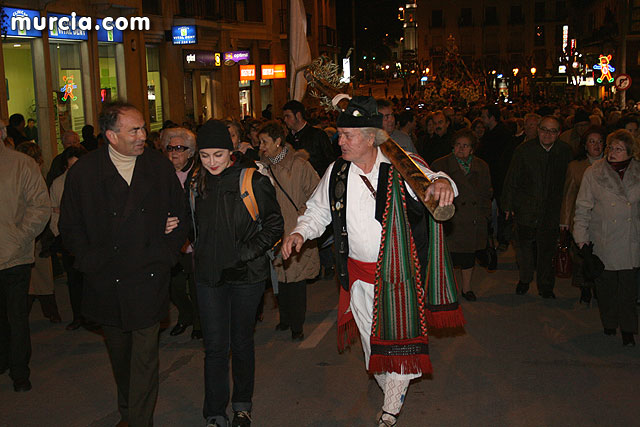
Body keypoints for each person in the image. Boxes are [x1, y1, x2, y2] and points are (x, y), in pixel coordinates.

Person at [281, 97, 460, 427]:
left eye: (347, 135)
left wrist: (444, 184)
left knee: (399, 344)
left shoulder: (401, 165)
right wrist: (300, 233)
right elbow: (318, 211)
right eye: (340, 134)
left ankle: (390, 409)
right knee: (372, 349)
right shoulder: (337, 171)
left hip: (399, 278)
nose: (340, 141)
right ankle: (394, 389)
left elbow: (437, 180)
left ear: (369, 137)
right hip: (358, 278)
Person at [59, 102, 188, 426]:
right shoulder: (84, 173)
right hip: (108, 281)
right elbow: (69, 227)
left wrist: (167, 253)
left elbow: (181, 214)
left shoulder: (157, 167)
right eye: (134, 130)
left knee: (144, 358)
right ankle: (129, 412)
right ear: (111, 136)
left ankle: (139, 421)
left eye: (143, 128)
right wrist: (89, 261)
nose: (143, 135)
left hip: (148, 277)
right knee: (121, 357)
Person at [191, 119, 283, 427]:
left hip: (246, 276)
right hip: (209, 277)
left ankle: (242, 406)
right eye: (205, 156)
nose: (212, 162)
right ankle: (215, 413)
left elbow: (275, 225)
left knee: (241, 343)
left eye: (218, 154)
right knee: (215, 347)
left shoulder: (252, 180)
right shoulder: (196, 184)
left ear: (230, 151)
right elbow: (191, 225)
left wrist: (244, 253)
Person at [573, 129, 640, 347]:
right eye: (610, 147)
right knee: (606, 288)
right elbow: (583, 207)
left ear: (629, 152)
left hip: (630, 239)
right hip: (604, 238)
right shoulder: (594, 173)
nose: (612, 152)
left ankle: (628, 329)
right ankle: (609, 322)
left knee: (628, 290)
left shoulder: (638, 172)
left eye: (618, 149)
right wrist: (581, 239)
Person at [0, 119, 50, 392]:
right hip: (13, 250)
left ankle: (19, 371)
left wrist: (19, 237)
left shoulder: (21, 164)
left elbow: (40, 206)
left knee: (16, 316)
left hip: (14, 257)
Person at [258, 121, 320, 341]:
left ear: (278, 142)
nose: (261, 146)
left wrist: (301, 219)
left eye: (264, 142)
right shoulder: (262, 168)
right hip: (274, 233)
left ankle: (297, 324)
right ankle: (284, 318)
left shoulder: (299, 166)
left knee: (295, 280)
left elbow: (317, 195)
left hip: (296, 230)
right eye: (259, 142)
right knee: (280, 280)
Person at [502, 116, 573, 299]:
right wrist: (508, 205)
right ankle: (525, 279)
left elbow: (570, 183)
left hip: (551, 210)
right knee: (524, 248)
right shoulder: (524, 150)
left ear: (559, 133)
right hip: (526, 207)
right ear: (538, 130)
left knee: (547, 250)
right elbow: (512, 178)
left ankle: (546, 285)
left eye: (552, 131)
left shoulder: (565, 152)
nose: (547, 134)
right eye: (544, 129)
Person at [432, 129, 492, 301]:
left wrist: (485, 215)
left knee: (468, 257)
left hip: (473, 219)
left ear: (472, 149)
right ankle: (446, 289)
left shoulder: (481, 166)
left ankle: (467, 288)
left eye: (465, 146)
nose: (461, 149)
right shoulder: (441, 164)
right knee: (448, 258)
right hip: (451, 218)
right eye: (458, 145)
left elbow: (486, 192)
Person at [161, 127, 202, 339]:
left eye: (179, 148)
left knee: (196, 285)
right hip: (171, 240)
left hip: (194, 239)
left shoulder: (199, 174)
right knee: (174, 286)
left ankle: (198, 323)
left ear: (190, 151)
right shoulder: (161, 174)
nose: (174, 152)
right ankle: (185, 315)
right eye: (170, 148)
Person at [15, 142, 61, 323]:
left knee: (37, 277)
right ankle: (50, 312)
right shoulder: (34, 175)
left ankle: (48, 311)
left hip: (32, 234)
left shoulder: (24, 175)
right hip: (34, 233)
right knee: (39, 278)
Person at [559, 125, 606, 304]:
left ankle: (600, 287)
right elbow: (568, 195)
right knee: (582, 257)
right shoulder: (575, 167)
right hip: (582, 220)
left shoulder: (610, 165)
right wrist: (564, 222)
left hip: (603, 220)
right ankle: (585, 286)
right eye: (592, 142)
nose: (596, 145)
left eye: (599, 142)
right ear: (585, 145)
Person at [49, 145, 88, 330]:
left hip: (90, 239)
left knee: (91, 279)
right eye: (71, 166)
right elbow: (52, 211)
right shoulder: (58, 184)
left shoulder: (93, 181)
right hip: (68, 240)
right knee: (74, 280)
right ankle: (78, 316)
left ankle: (93, 315)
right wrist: (60, 234)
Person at [283, 100, 336, 176]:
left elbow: (330, 161)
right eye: (284, 117)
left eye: (288, 116)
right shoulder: (288, 138)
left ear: (298, 115)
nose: (285, 120)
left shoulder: (318, 135)